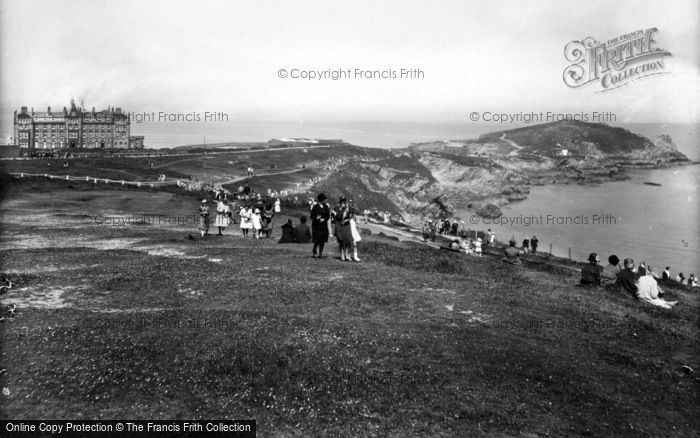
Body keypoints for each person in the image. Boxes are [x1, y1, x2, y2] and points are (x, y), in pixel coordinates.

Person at [333, 196, 359, 261]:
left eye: (344, 202)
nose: (343, 203)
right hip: (340, 226)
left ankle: (348, 255)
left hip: (347, 226)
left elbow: (354, 211)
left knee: (348, 240)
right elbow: (337, 217)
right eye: (342, 202)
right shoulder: (336, 208)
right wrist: (341, 209)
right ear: (340, 202)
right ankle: (342, 255)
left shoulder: (348, 208)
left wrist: (349, 218)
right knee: (341, 241)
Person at [311, 193, 331, 258]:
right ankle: (314, 250)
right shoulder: (315, 207)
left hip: (324, 225)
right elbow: (311, 216)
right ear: (321, 200)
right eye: (324, 199)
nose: (325, 200)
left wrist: (324, 219)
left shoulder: (326, 206)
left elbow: (328, 215)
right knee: (317, 240)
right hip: (317, 225)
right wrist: (316, 219)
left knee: (323, 240)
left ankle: (320, 254)